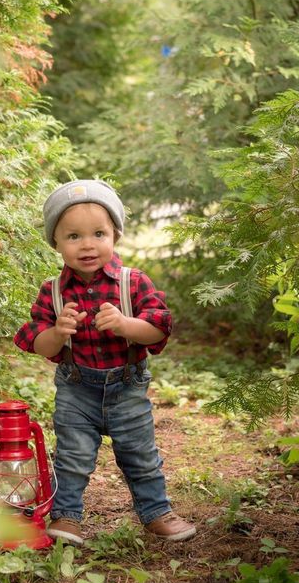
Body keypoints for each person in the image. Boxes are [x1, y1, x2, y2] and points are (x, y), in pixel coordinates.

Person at [14, 180, 196, 546]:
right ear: (56, 242)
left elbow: (159, 328)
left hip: (126, 387)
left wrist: (125, 324)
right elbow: (34, 339)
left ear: (115, 234)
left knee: (140, 454)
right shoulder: (53, 291)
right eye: (73, 236)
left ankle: (156, 512)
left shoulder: (132, 282)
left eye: (99, 233)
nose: (87, 244)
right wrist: (59, 332)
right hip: (76, 388)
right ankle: (67, 517)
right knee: (72, 456)